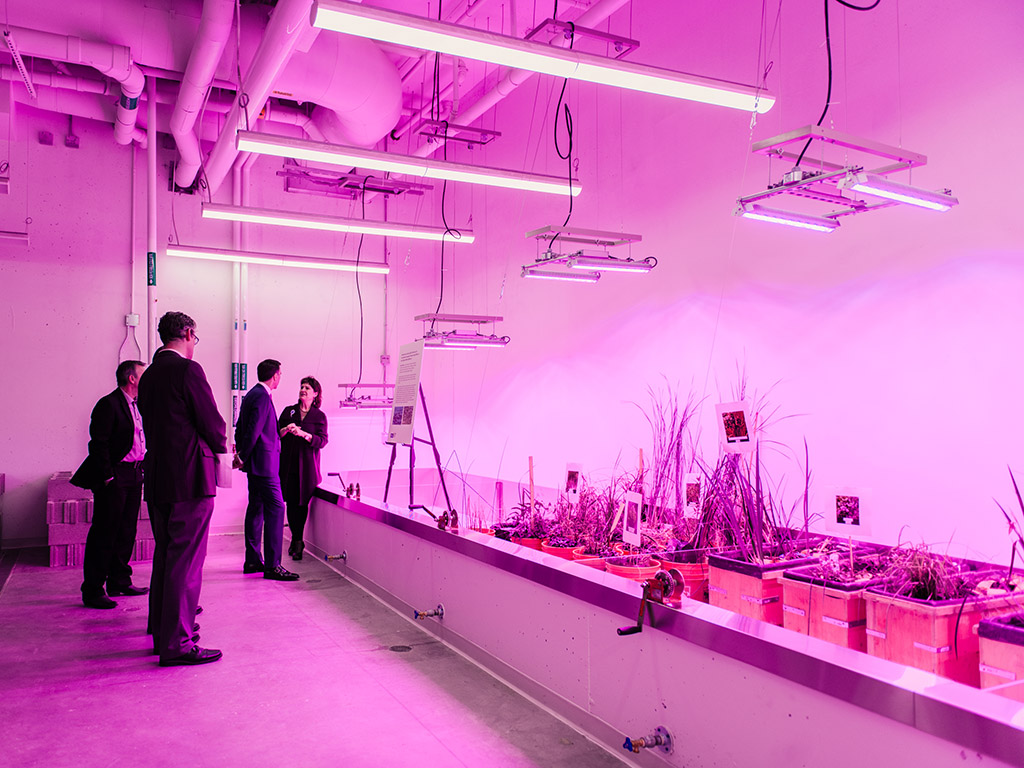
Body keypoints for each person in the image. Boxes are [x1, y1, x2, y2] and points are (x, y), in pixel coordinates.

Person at [137, 311, 227, 667]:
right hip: (190, 479)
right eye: (196, 338)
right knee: (187, 562)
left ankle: (162, 631)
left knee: (167, 557)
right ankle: (178, 642)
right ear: (188, 333)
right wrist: (224, 448)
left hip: (158, 479)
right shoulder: (188, 370)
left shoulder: (148, 376)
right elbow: (211, 421)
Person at [71, 359, 148, 609]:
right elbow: (98, 444)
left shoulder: (139, 406)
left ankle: (119, 581)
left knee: (127, 531)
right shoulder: (109, 404)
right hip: (115, 475)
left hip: (135, 474)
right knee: (105, 532)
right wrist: (107, 476)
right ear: (132, 378)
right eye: (143, 374)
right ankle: (93, 590)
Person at [235, 359, 299, 582]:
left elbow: (243, 427)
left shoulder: (252, 394)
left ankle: (252, 560)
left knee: (256, 509)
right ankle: (273, 565)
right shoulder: (263, 396)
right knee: (276, 509)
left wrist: (244, 454)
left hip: (256, 463)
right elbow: (252, 430)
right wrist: (243, 456)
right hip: (264, 465)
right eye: (280, 374)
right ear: (274, 375)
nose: (280, 378)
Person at [278, 376, 329, 561]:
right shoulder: (289, 412)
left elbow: (322, 441)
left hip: (308, 468)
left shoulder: (319, 416)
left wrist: (304, 434)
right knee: (291, 503)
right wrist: (287, 430)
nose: (303, 390)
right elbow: (277, 434)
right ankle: (296, 539)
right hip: (289, 465)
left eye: (307, 387)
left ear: (315, 393)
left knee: (302, 504)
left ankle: (297, 541)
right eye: (301, 386)